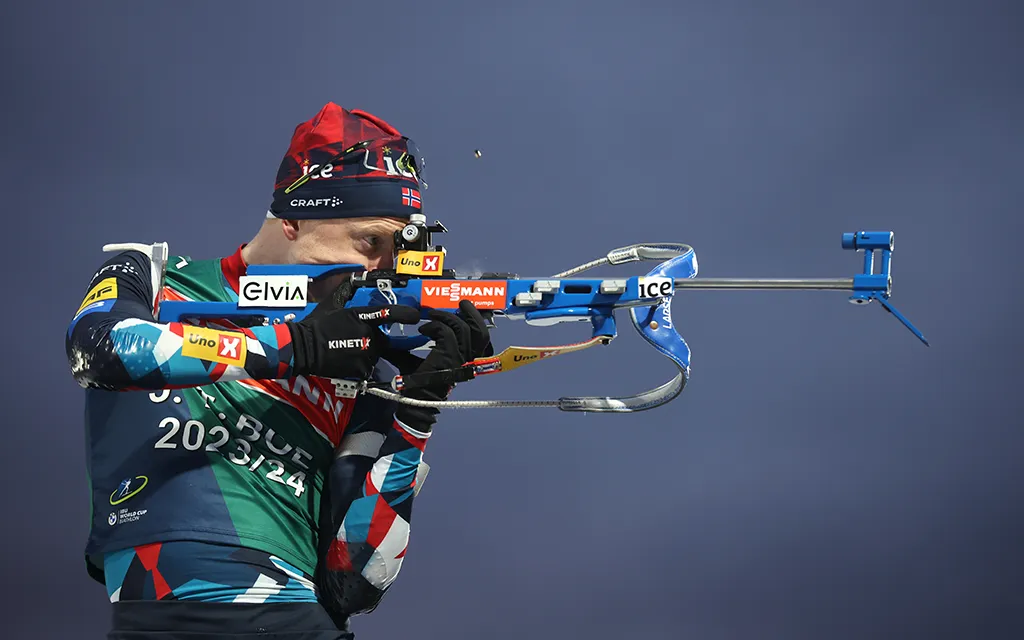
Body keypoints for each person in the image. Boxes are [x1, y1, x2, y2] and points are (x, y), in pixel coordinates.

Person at [65, 102, 492, 639]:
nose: (383, 270)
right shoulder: (153, 277)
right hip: (171, 615)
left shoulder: (361, 358)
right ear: (293, 220)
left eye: (398, 251)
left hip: (299, 620)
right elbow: (99, 349)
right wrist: (298, 345)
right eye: (371, 243)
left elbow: (355, 581)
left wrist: (414, 416)